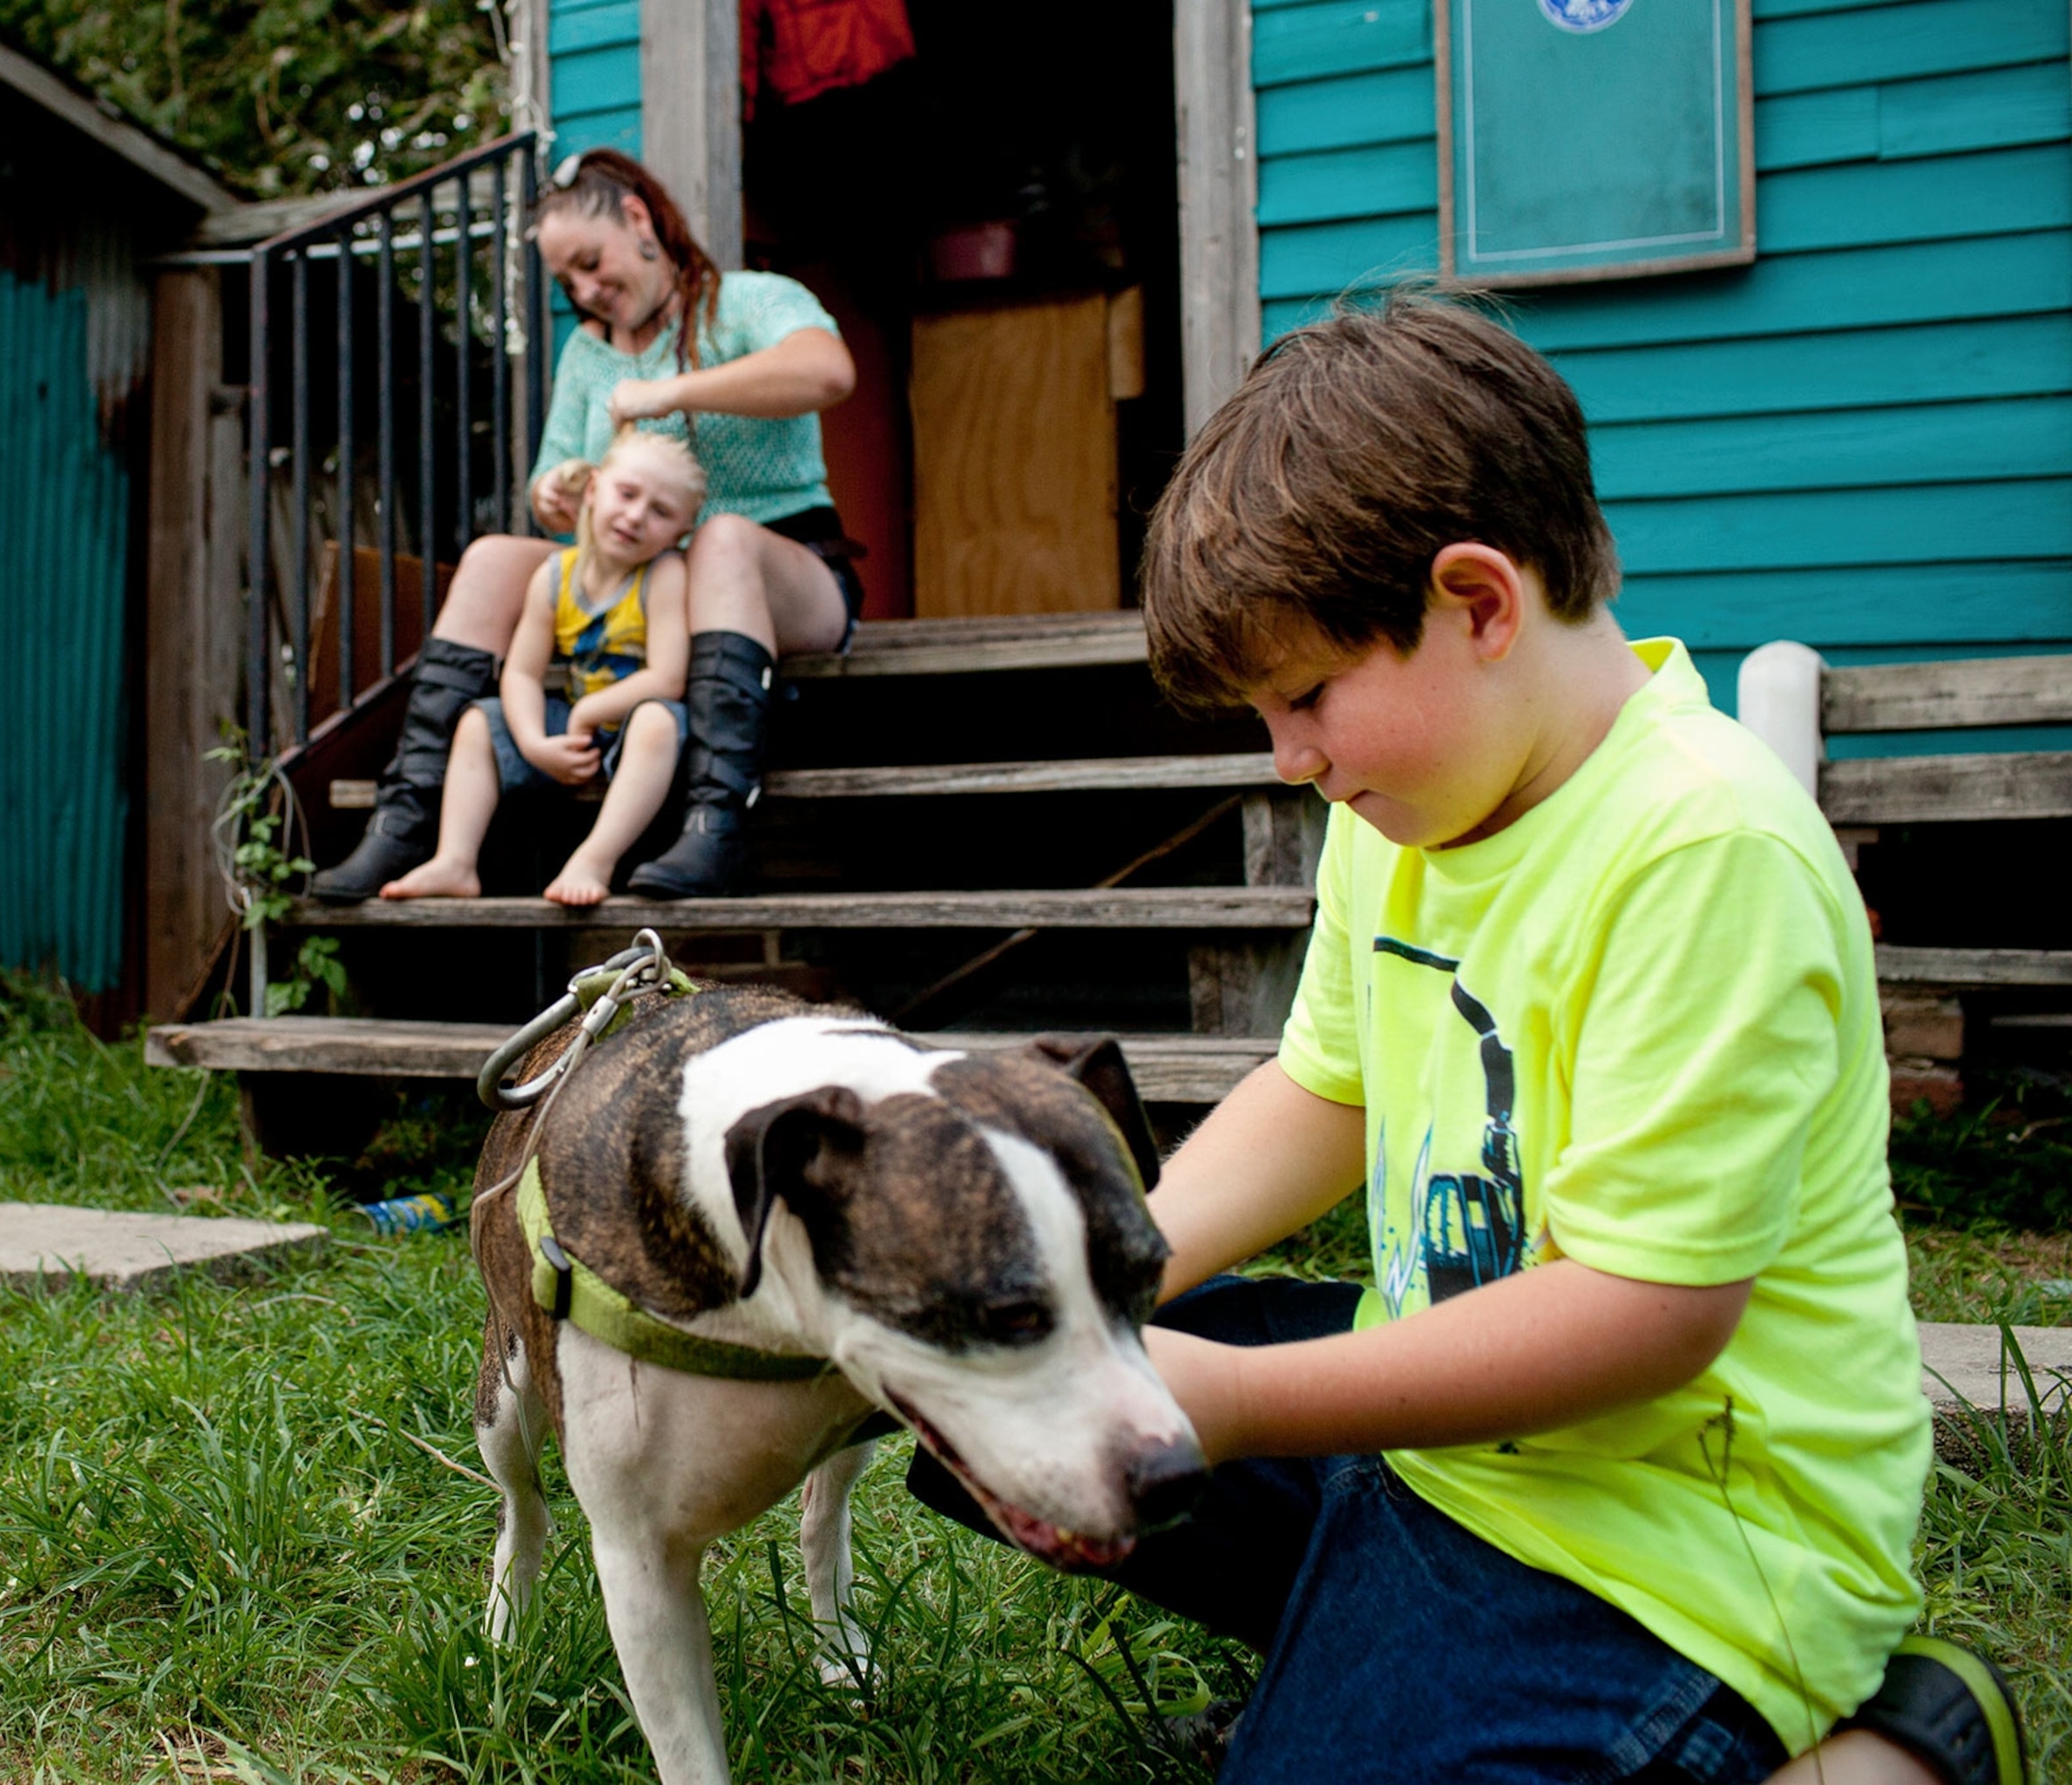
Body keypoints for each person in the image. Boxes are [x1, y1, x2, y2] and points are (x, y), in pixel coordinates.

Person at [909, 294, 2028, 1785]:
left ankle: (1886, 1747)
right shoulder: (1410, 800)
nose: (1290, 755)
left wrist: (1231, 1403)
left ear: (1480, 601)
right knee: (993, 1410)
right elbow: (1323, 1089)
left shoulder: (1701, 846)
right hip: (1455, 1428)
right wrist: (1104, 1277)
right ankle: (1375, 1668)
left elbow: (1642, 1314)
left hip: (1676, 1530)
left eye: (1305, 694)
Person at [310, 147, 860, 903]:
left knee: (724, 537)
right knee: (496, 554)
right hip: (638, 583)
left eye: (592, 263)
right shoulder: (585, 351)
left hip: (784, 571)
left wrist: (669, 392)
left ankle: (714, 827)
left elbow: (828, 372)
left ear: (639, 220)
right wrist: (559, 494)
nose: (587, 290)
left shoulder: (750, 301)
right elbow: (551, 477)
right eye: (568, 280)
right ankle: (408, 823)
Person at [380, 429, 700, 908]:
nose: (636, 516)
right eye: (627, 494)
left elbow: (668, 677)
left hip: (632, 732)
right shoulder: (554, 577)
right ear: (593, 489)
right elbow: (523, 674)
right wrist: (534, 743)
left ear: (680, 534)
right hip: (570, 732)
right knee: (477, 721)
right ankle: (455, 860)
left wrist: (590, 710)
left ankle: (594, 858)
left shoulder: (665, 575)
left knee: (657, 719)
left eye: (661, 512)